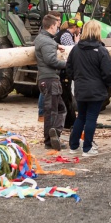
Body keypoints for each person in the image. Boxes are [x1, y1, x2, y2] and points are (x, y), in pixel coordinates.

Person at [66, 20, 111, 157]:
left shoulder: (76, 49)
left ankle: (74, 145)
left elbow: (69, 68)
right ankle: (87, 147)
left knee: (81, 117)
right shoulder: (101, 50)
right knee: (91, 118)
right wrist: (106, 84)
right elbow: (108, 72)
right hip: (96, 89)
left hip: (81, 88)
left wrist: (79, 79)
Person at [35, 13, 67, 150]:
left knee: (59, 109)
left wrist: (56, 45)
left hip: (46, 79)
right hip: (50, 80)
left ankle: (54, 133)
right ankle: (50, 139)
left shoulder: (43, 38)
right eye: (56, 26)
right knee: (53, 111)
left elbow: (47, 48)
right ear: (52, 26)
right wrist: (66, 64)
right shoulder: (47, 41)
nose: (57, 28)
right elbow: (50, 60)